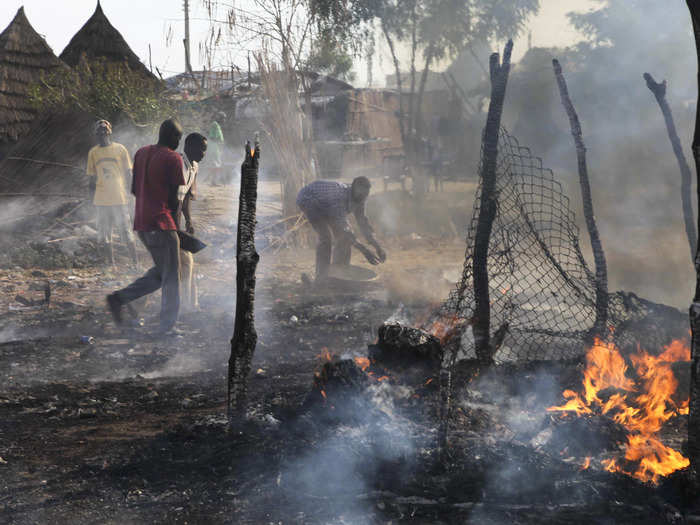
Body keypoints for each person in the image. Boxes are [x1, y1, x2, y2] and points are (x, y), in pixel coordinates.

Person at [106, 119, 186, 335]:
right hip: (162, 224)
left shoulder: (141, 153)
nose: (179, 141)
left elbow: (133, 189)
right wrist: (176, 228)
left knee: (161, 273)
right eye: (179, 137)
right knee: (171, 277)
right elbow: (173, 200)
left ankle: (119, 299)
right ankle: (167, 326)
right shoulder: (174, 158)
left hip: (142, 223)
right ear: (172, 137)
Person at [296, 176, 386, 282]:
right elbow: (344, 230)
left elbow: (363, 223)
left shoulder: (360, 198)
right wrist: (365, 251)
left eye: (365, 195)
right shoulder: (340, 196)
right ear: (353, 188)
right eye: (362, 195)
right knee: (326, 238)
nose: (363, 198)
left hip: (327, 205)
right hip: (309, 199)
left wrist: (378, 246)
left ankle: (339, 273)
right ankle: (321, 277)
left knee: (344, 239)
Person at [86, 119, 138, 266]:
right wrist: (90, 198)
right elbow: (91, 178)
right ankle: (111, 265)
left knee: (126, 233)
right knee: (105, 235)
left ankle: (135, 264)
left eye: (105, 129)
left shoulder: (120, 149)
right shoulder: (93, 153)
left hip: (119, 198)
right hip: (101, 200)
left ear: (110, 131)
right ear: (96, 133)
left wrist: (132, 193)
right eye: (99, 130)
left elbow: (129, 174)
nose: (102, 132)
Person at [174, 132, 207, 311]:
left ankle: (190, 305)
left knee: (185, 263)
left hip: (175, 223)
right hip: (166, 222)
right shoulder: (178, 163)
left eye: (205, 150)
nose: (204, 154)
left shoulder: (193, 166)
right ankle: (187, 306)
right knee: (184, 263)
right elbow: (172, 198)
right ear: (189, 147)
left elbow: (186, 196)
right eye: (201, 149)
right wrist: (174, 228)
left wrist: (189, 221)